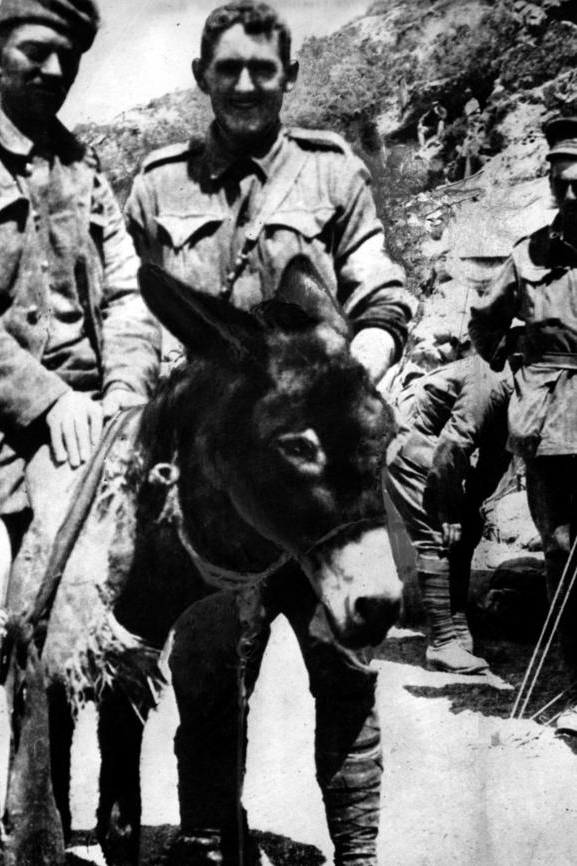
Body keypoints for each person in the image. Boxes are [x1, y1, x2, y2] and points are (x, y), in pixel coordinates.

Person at [125, 2, 417, 863]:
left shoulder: (334, 173)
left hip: (326, 482)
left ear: (288, 77)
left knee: (348, 678)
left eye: (264, 68)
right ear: (202, 78)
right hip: (217, 492)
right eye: (230, 68)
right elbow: (137, 321)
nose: (246, 84)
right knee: (209, 683)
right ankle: (214, 841)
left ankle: (358, 854)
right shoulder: (157, 185)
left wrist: (347, 369)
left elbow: (381, 291)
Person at [0, 1, 161, 863]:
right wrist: (41, 397)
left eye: (69, 57)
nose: (54, 70)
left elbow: (131, 290)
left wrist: (129, 380)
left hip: (88, 426)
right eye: (37, 51)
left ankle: (62, 830)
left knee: (122, 607)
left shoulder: (86, 170)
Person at [469, 116, 577, 733]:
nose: (569, 196)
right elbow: (484, 324)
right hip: (550, 417)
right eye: (559, 184)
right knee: (561, 550)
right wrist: (518, 364)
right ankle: (572, 681)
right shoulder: (526, 256)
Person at [385, 355, 513, 673]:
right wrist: (448, 513)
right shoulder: (489, 383)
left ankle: (457, 630)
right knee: (436, 533)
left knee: (468, 527)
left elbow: (495, 461)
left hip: (437, 448)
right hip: (406, 439)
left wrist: (471, 507)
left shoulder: (513, 392)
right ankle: (442, 643)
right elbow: (452, 449)